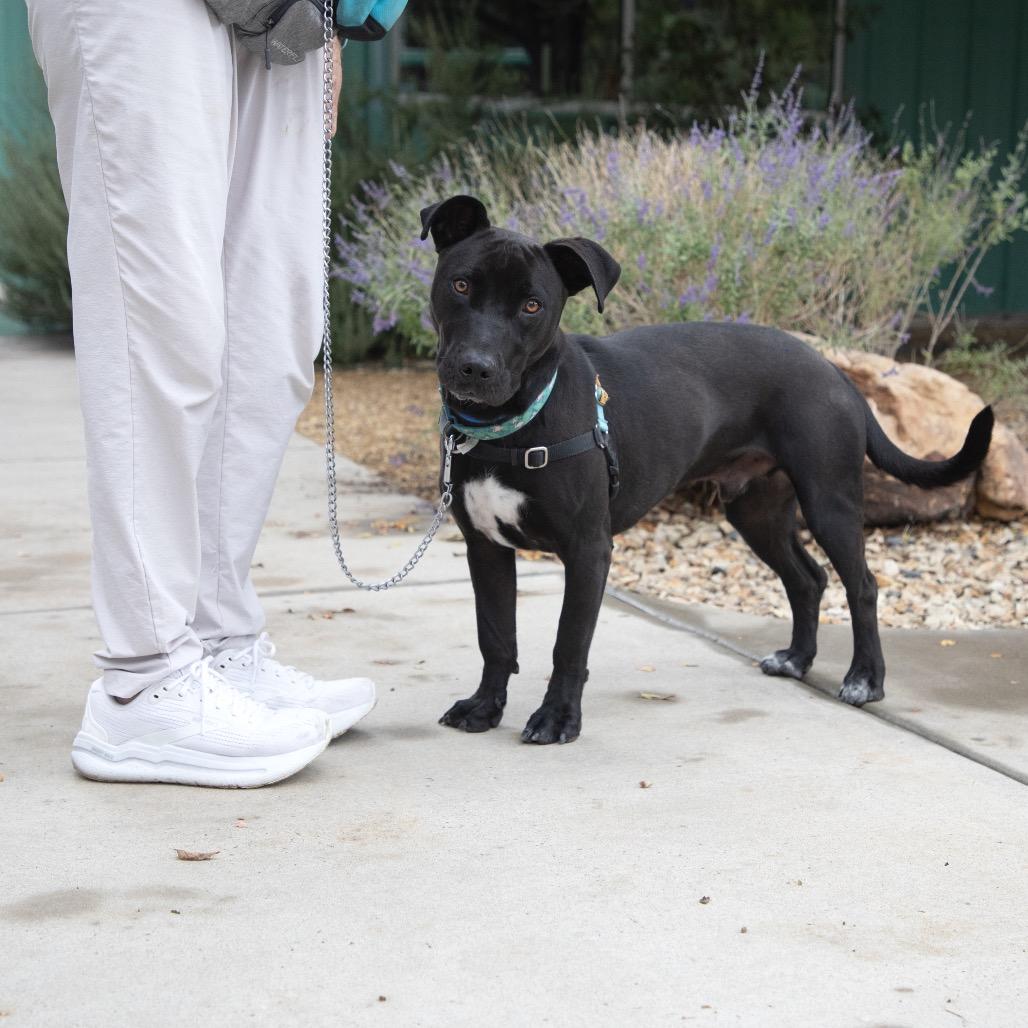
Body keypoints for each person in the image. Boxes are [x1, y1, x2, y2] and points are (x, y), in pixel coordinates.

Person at [26, 0, 373, 788]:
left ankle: (218, 642)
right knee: (159, 318)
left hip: (287, 14)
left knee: (270, 330)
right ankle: (142, 680)